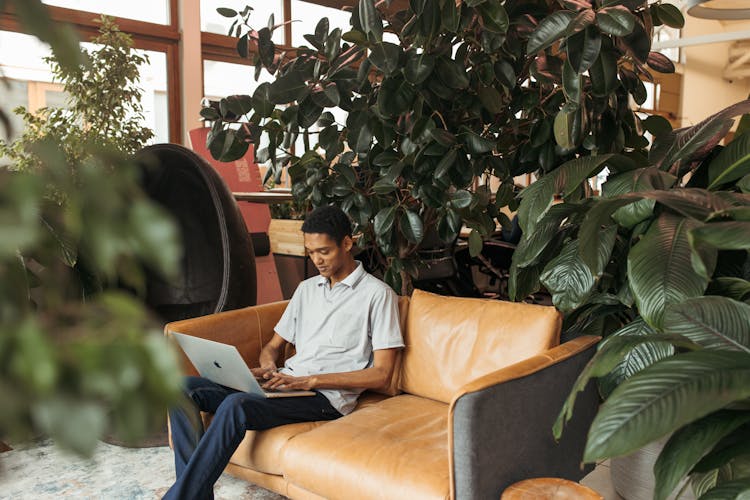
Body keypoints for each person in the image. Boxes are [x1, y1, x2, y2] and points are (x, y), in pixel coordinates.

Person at [164, 205, 404, 500]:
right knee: (181, 388)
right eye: (311, 252)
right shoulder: (306, 290)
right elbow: (273, 347)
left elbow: (382, 375)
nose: (317, 260)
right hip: (287, 383)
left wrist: (310, 381)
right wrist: (268, 367)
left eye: (324, 251)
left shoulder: (377, 295)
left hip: (324, 397)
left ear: (347, 243)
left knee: (236, 405)